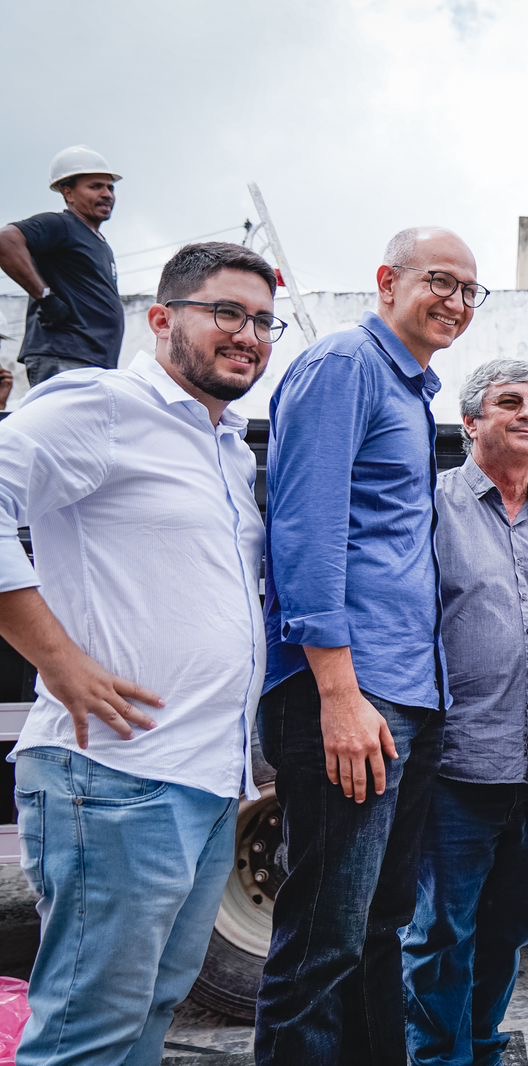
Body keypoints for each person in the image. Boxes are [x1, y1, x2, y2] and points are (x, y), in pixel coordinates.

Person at [0, 242, 281, 1064]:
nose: (249, 335)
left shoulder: (226, 447)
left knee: (147, 1020)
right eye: (226, 312)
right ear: (160, 319)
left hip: (200, 786)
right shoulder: (103, 405)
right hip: (116, 780)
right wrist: (59, 661)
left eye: (264, 321)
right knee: (89, 1036)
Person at [255, 227, 487, 1063]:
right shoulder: (344, 366)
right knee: (323, 939)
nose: (456, 301)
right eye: (440, 281)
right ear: (387, 280)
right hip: (356, 696)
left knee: (378, 928)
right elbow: (306, 534)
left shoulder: (412, 392)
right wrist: (339, 696)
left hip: (408, 698)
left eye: (469, 290)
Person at [401, 359, 528, 1065]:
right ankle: (435, 1057)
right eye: (510, 402)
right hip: (453, 764)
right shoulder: (430, 505)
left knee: (512, 924)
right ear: (471, 421)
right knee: (440, 931)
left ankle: (479, 1048)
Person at [0, 146, 125, 386]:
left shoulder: (100, 243)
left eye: (110, 187)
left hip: (94, 361)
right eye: (95, 186)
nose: (107, 194)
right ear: (68, 193)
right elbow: (6, 240)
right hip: (64, 357)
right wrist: (45, 297)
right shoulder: (61, 225)